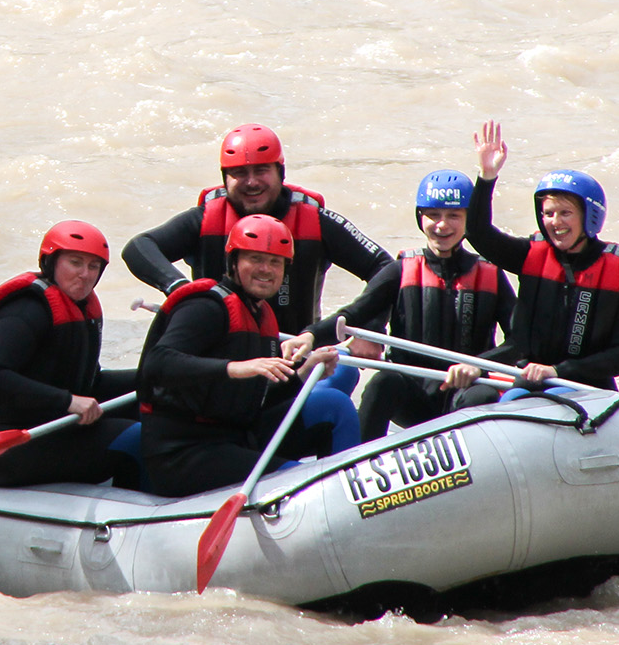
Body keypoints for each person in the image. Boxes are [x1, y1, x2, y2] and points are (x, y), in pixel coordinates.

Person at [138, 214, 362, 498]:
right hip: (185, 454)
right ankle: (328, 503)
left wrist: (304, 373)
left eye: (275, 262)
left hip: (236, 437)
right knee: (301, 485)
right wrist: (235, 368)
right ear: (233, 262)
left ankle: (352, 496)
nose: (266, 270)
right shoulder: (205, 307)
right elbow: (158, 363)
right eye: (255, 259)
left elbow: (253, 402)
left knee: (334, 403)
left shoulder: (260, 314)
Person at [123, 124, 392, 357]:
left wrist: (370, 327)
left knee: (339, 382)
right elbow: (139, 247)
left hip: (297, 352)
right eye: (239, 172)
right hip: (218, 355)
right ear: (224, 179)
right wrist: (182, 290)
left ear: (280, 173)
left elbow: (385, 268)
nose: (251, 182)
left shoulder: (317, 221)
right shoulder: (205, 219)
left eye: (261, 171)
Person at [458, 121, 619, 398]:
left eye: (565, 213)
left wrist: (559, 371)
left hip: (588, 386)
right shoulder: (531, 254)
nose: (555, 222)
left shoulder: (618, 264)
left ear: (589, 216)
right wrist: (486, 177)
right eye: (548, 213)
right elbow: (478, 233)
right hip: (529, 381)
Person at [0, 221, 141, 488]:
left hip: (54, 426)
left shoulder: (80, 308)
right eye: (75, 262)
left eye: (93, 266)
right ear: (51, 262)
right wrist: (67, 401)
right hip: (9, 445)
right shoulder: (25, 311)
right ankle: (139, 512)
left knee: (150, 398)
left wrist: (152, 377)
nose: (85, 274)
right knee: (135, 436)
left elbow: (89, 383)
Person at [350, 170, 517, 440]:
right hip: (413, 396)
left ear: (468, 220)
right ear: (420, 218)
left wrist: (482, 365)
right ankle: (355, 463)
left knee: (484, 394)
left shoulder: (490, 274)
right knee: (383, 382)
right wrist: (314, 335)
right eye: (433, 215)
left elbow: (519, 340)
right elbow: (358, 311)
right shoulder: (399, 270)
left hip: (468, 390)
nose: (442, 226)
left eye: (453, 216)